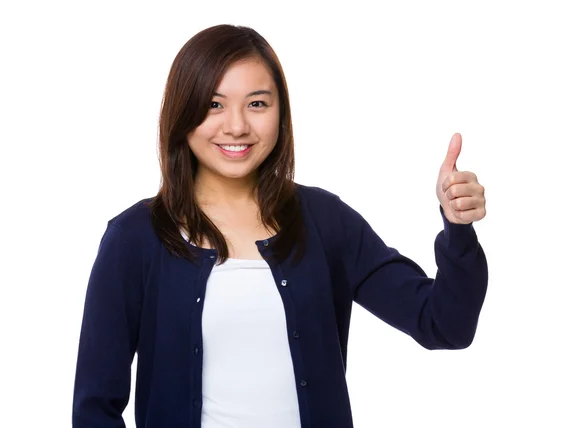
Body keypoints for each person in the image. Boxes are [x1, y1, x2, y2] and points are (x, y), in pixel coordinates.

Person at [72, 24, 488, 428]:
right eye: (214, 104)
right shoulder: (135, 238)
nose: (236, 126)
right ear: (182, 113)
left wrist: (457, 228)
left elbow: (444, 324)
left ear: (280, 113)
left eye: (257, 104)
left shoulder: (325, 221)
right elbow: (94, 407)